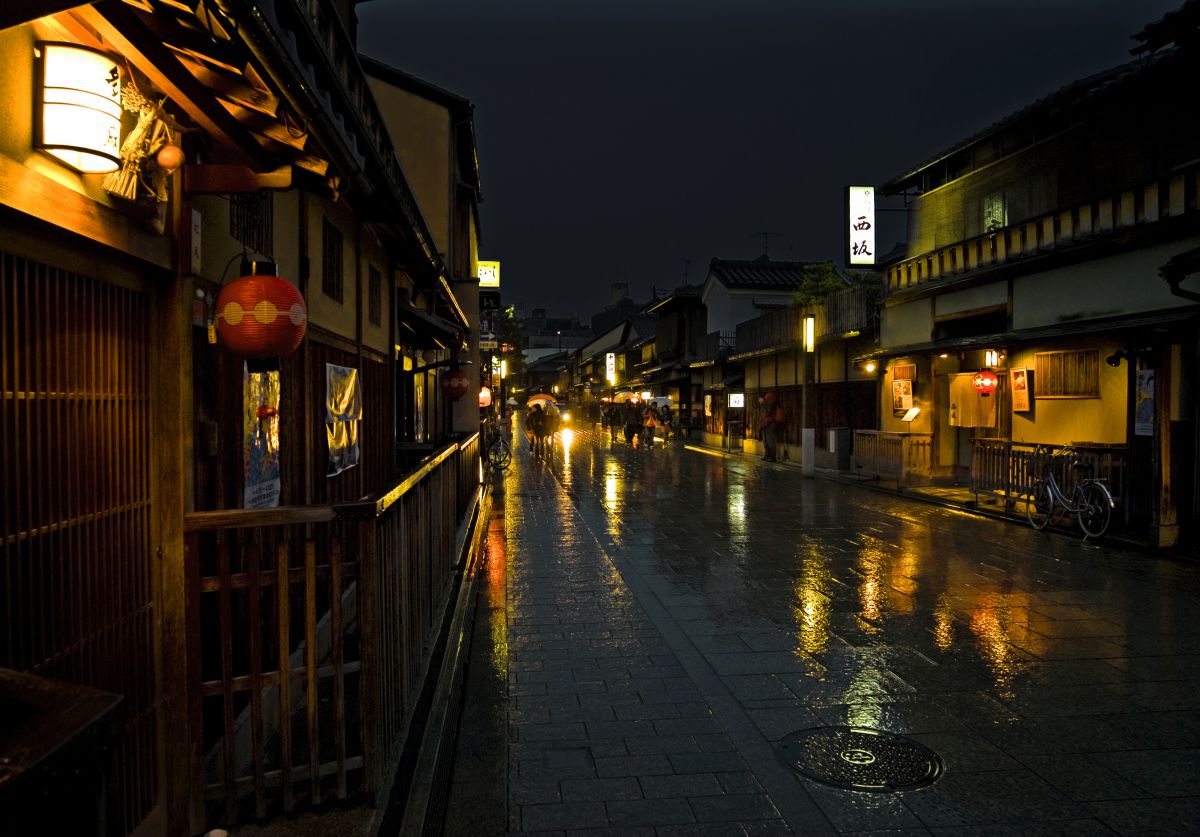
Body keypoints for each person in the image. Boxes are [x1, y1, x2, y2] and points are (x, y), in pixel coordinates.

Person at [760, 391, 784, 462]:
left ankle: (772, 457)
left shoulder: (770, 404)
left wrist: (763, 403)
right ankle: (767, 455)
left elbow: (768, 413)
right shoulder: (768, 404)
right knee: (766, 441)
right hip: (766, 424)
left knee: (770, 441)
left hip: (769, 424)